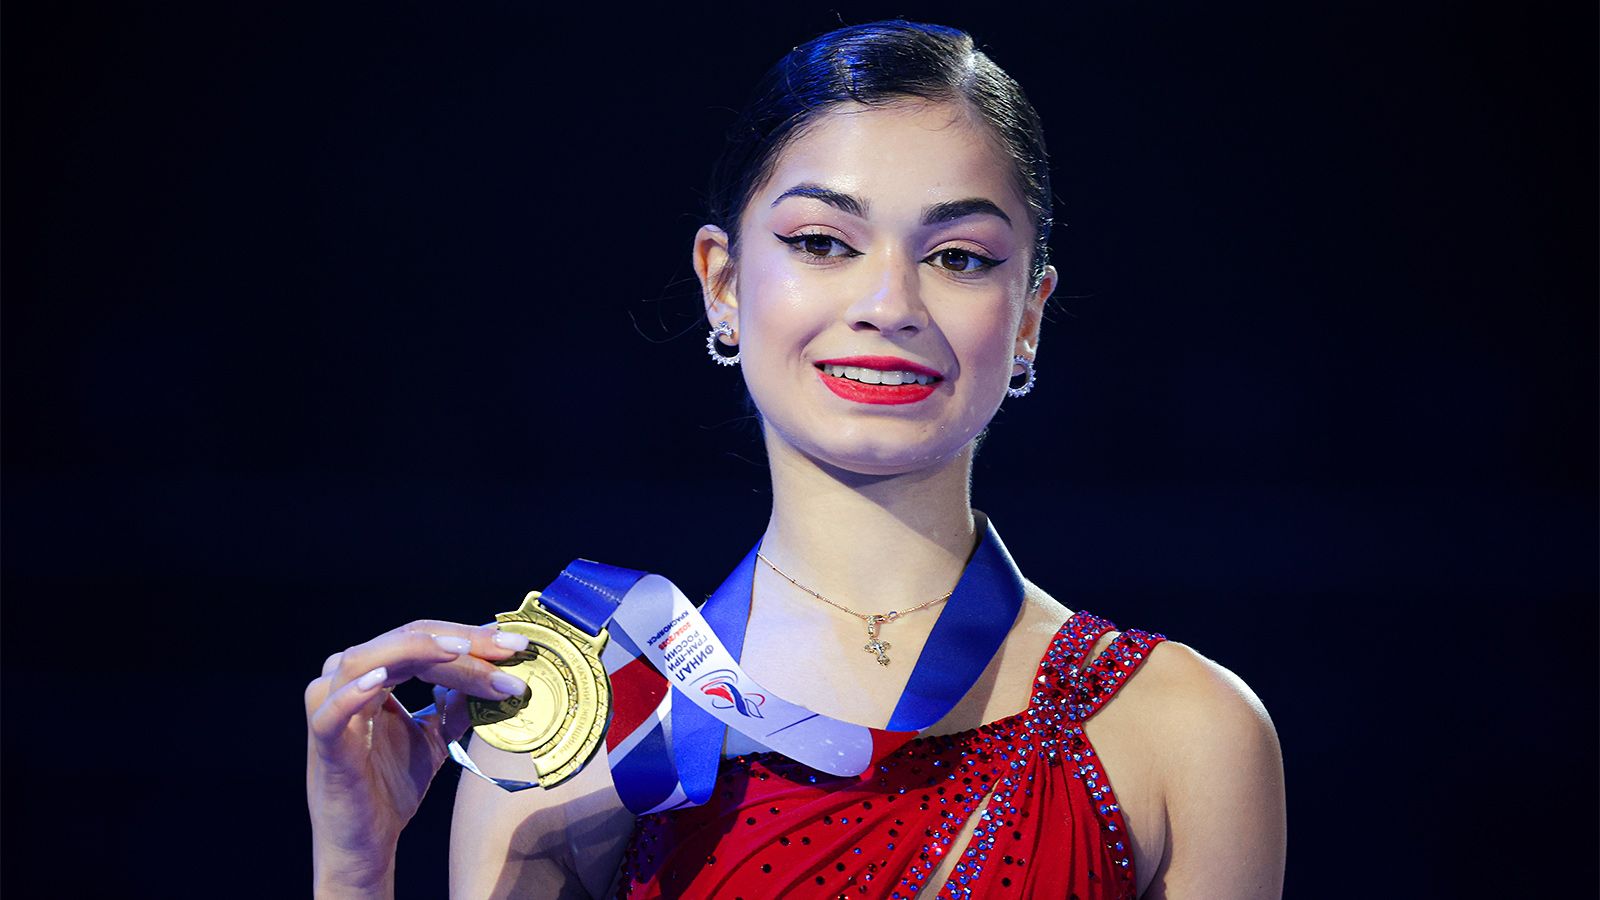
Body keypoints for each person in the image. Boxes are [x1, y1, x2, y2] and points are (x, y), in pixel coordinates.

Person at [305, 20, 1286, 899]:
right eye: (823, 242)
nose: (890, 305)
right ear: (723, 283)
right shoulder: (583, 730)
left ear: (1028, 313)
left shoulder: (1182, 731)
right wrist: (355, 867)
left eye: (959, 257)